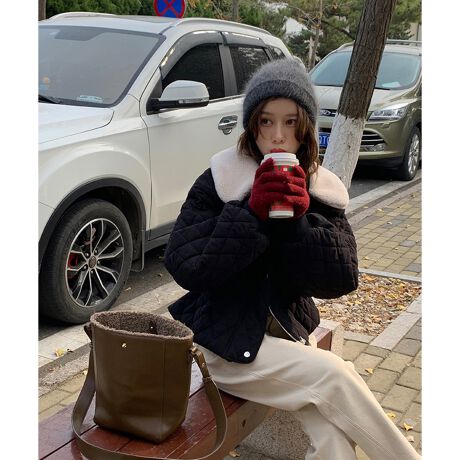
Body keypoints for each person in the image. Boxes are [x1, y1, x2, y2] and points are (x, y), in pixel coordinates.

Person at [164, 58, 420, 460]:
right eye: (266, 122)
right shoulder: (221, 179)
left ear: (306, 129)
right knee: (336, 375)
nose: (278, 136)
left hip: (286, 339)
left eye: (290, 122)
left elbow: (342, 278)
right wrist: (251, 214)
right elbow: (186, 266)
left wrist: (299, 225)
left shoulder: (318, 187)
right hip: (225, 347)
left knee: (333, 434)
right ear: (252, 126)